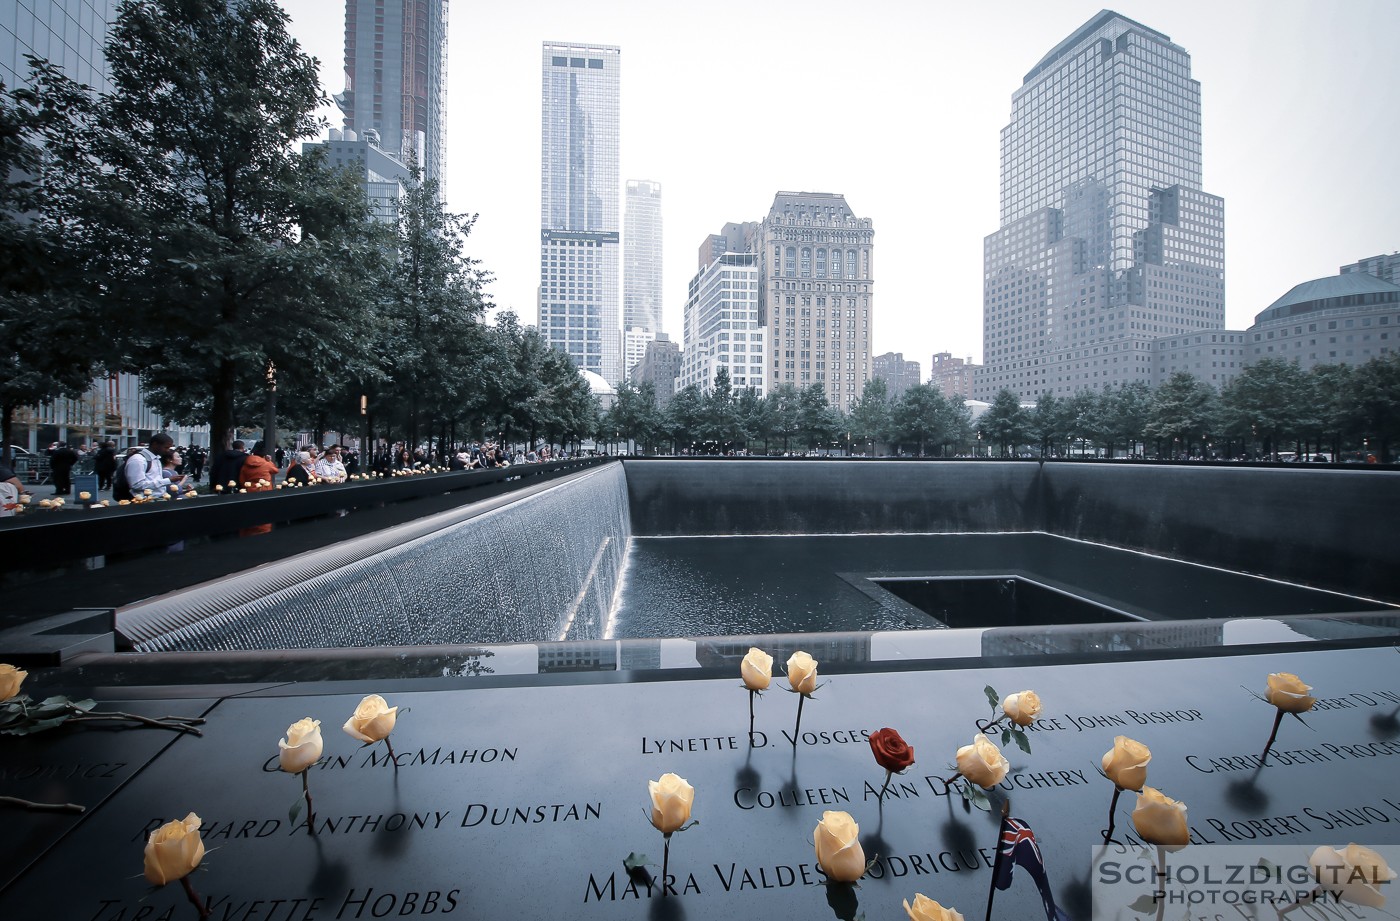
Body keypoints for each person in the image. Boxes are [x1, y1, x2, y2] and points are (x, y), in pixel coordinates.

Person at [121, 433, 178, 499]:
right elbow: (137, 485)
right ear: (155, 444)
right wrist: (167, 480)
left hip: (157, 499)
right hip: (143, 502)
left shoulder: (156, 459)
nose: (167, 451)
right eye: (166, 447)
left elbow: (154, 480)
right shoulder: (138, 460)